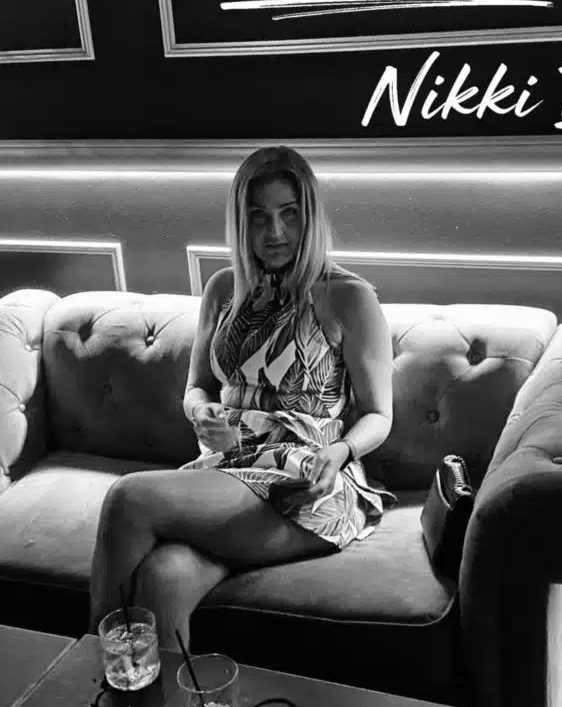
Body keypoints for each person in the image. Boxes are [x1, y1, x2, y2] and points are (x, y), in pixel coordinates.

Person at [89, 145, 396, 651]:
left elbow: (380, 416)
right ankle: (145, 701)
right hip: (228, 466)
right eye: (258, 216)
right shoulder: (223, 289)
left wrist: (340, 451)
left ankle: (87, 677)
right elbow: (197, 388)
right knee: (164, 579)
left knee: (129, 499)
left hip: (305, 479)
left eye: (289, 214)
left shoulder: (347, 295)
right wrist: (200, 412)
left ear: (310, 217)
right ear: (240, 222)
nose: (274, 232)